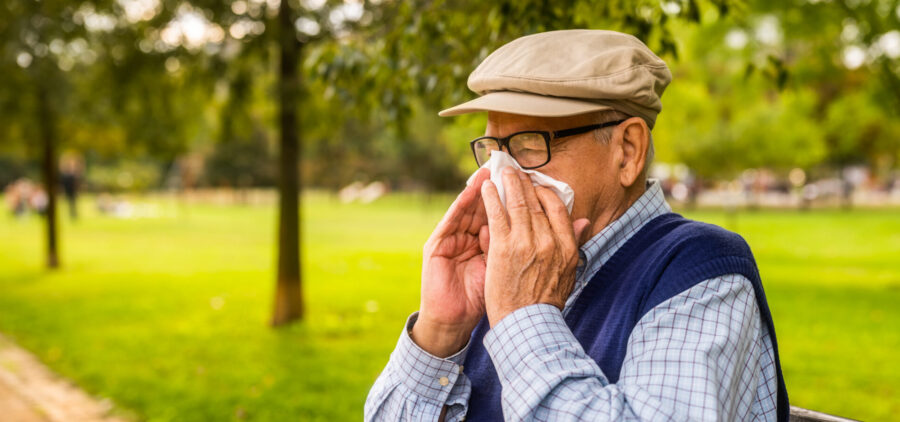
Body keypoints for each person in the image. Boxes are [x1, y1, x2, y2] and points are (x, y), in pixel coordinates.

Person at [365, 30, 788, 421]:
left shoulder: (701, 271)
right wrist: (443, 329)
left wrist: (523, 316)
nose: (501, 173)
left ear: (627, 151)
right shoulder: (497, 272)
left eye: (530, 145)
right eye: (493, 147)